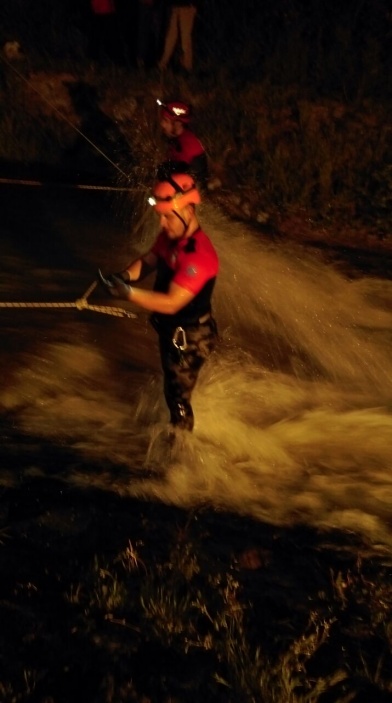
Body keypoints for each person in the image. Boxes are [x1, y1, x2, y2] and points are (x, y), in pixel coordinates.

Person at [98, 172, 219, 432]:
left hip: (191, 338)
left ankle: (182, 455)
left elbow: (171, 303)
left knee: (178, 400)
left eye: (167, 216)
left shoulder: (198, 255)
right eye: (160, 216)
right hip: (174, 331)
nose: (162, 224)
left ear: (187, 209)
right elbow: (150, 260)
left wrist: (128, 293)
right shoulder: (169, 238)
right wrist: (124, 276)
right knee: (171, 387)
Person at [158, 99, 209, 188]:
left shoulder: (187, 142)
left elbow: (180, 172)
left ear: (177, 123)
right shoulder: (177, 140)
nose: (162, 124)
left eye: (165, 120)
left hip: (191, 197)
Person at [157, 0, 197, 74]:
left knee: (184, 36)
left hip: (186, 6)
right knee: (171, 36)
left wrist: (193, 4)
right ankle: (163, 63)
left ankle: (187, 65)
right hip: (175, 5)